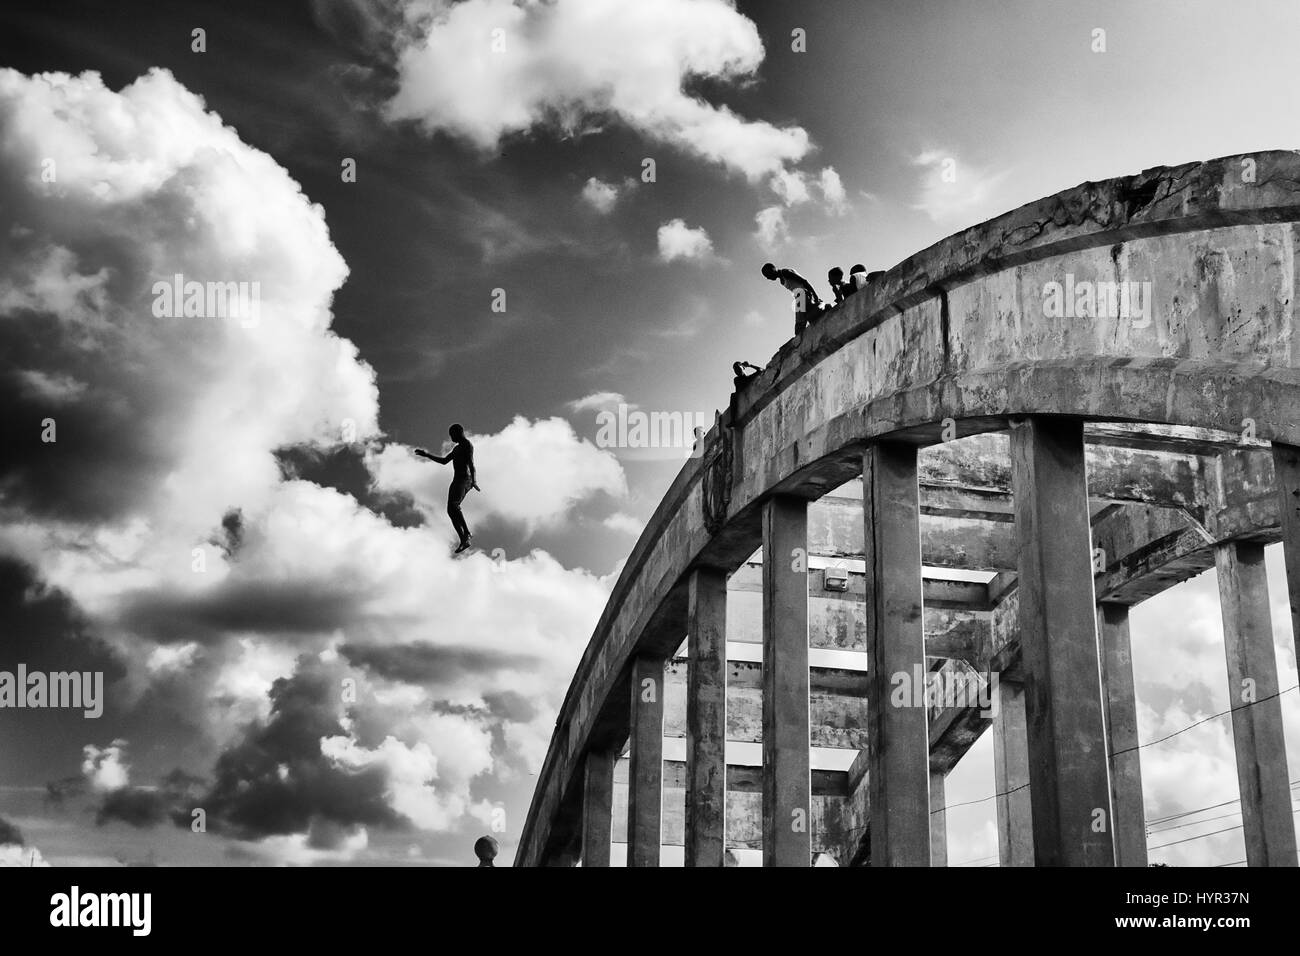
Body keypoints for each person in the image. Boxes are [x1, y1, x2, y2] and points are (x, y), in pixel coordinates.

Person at [415, 423, 479, 553]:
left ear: (459, 432)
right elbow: (444, 461)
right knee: (450, 510)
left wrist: (474, 481)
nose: (451, 438)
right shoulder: (456, 449)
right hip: (456, 481)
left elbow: (472, 464)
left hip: (465, 479)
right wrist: (427, 455)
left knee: (454, 505)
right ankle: (464, 540)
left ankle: (466, 532)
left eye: (452, 435)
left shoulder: (467, 445)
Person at [762, 262, 822, 335]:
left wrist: (815, 295)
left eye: (767, 275)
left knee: (799, 326)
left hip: (803, 294)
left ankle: (820, 306)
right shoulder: (782, 280)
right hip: (799, 297)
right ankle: (823, 307)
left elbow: (804, 281)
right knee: (811, 317)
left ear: (773, 269)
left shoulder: (785, 272)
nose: (768, 278)